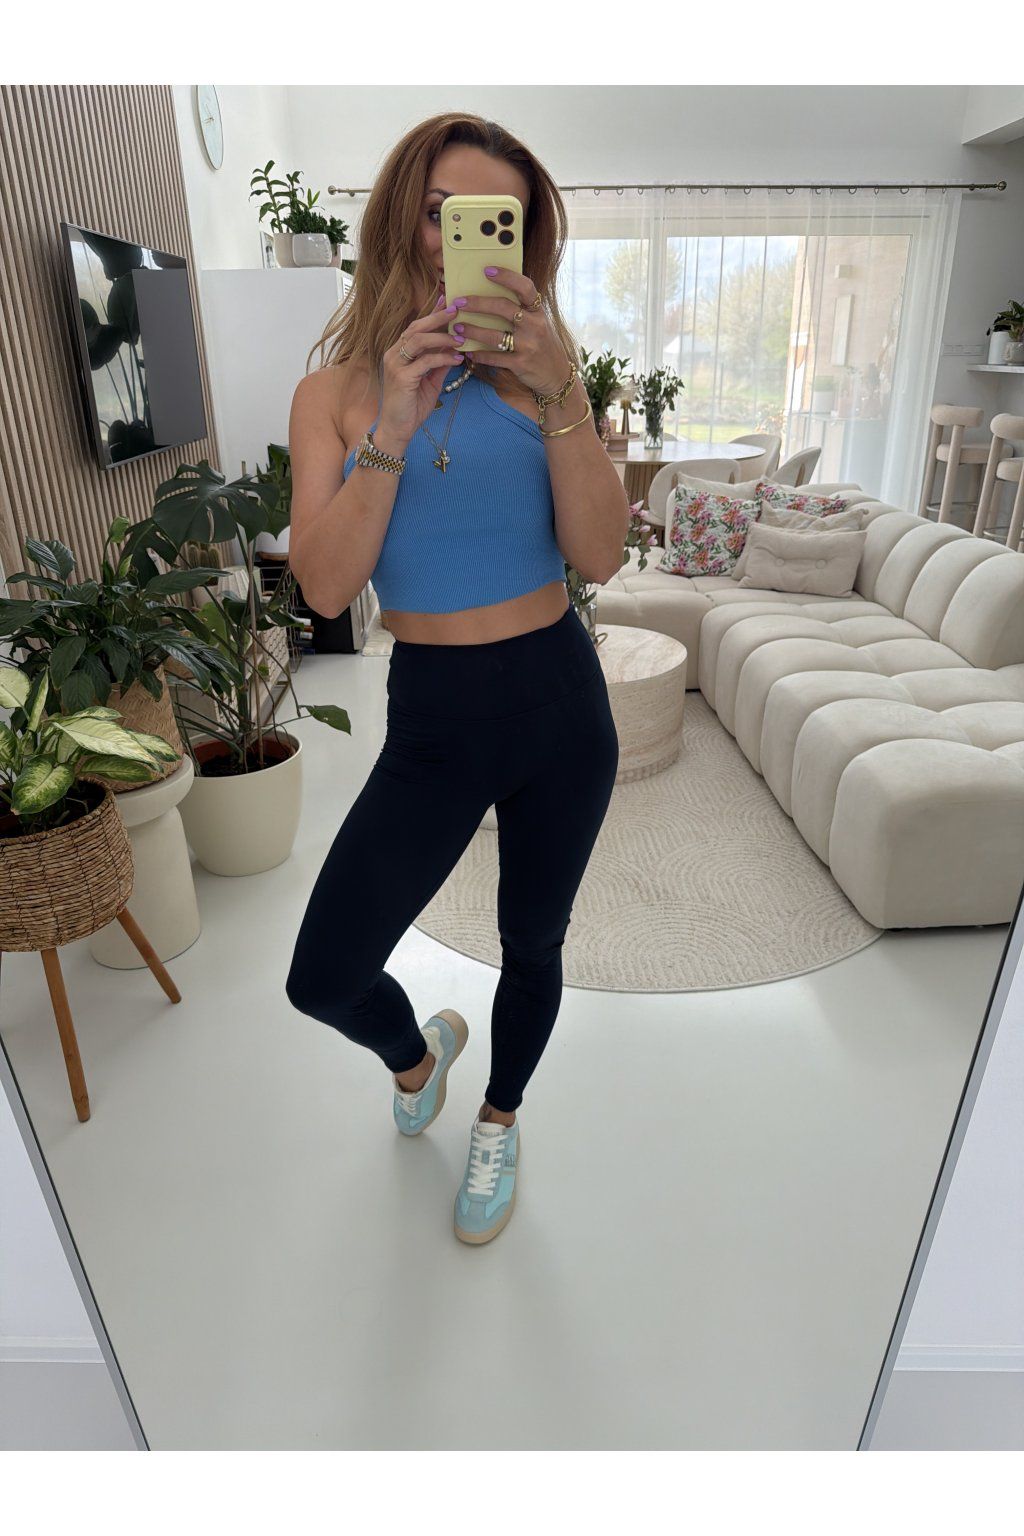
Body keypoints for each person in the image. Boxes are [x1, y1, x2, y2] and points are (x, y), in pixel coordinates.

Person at [284, 112, 626, 1244]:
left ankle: (499, 1115)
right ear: (404, 221)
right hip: (433, 715)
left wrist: (561, 389)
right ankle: (417, 1057)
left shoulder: (546, 382)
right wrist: (393, 419)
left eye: (493, 218)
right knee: (325, 975)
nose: (458, 238)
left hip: (558, 703)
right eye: (440, 212)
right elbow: (325, 588)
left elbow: (600, 557)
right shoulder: (336, 395)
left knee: (534, 942)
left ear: (523, 240)